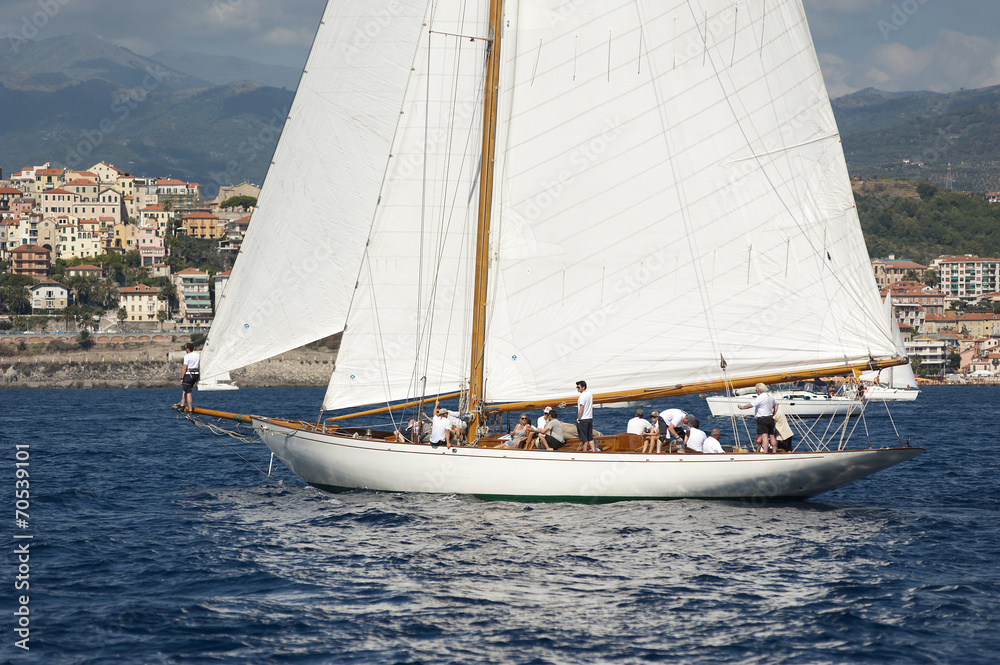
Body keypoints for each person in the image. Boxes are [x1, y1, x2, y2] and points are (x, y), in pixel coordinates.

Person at [739, 382, 778, 453]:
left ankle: (765, 451)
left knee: (764, 436)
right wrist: (774, 413)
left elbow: (751, 405)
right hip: (770, 418)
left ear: (759, 390)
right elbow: (776, 404)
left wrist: (742, 407)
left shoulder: (761, 397)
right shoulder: (771, 396)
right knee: (771, 435)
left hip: (763, 418)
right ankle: (774, 451)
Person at [177, 342, 200, 412]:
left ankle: (190, 409)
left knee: (188, 392)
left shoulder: (187, 356)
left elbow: (184, 368)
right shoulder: (198, 355)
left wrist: (181, 378)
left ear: (188, 349)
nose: (185, 350)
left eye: (185, 348)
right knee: (185, 389)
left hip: (189, 374)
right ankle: (182, 405)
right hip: (196, 374)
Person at [576, 380, 597, 452]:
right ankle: (593, 451)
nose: (577, 388)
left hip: (583, 419)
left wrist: (578, 419)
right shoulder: (589, 394)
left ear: (583, 387)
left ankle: (585, 453)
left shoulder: (582, 396)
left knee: (584, 438)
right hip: (589, 418)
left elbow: (581, 408)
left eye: (578, 387)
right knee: (590, 437)